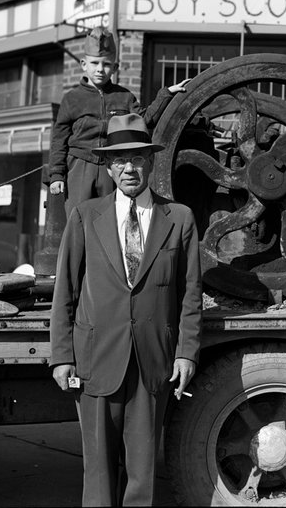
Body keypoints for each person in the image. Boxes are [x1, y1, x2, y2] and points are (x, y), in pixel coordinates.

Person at [50, 112, 202, 507]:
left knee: (143, 471)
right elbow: (65, 288)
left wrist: (187, 352)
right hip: (96, 358)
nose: (129, 167)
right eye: (120, 160)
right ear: (109, 167)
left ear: (151, 162)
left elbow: (190, 292)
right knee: (98, 470)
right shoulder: (85, 216)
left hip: (153, 359)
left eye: (137, 158)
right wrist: (61, 356)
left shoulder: (179, 218)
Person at [48, 25, 189, 217]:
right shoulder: (72, 99)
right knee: (77, 216)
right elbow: (59, 140)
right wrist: (56, 175)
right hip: (80, 165)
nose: (100, 69)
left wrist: (166, 95)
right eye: (95, 63)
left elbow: (145, 120)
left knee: (110, 217)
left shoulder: (124, 97)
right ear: (83, 64)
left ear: (114, 67)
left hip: (113, 165)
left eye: (106, 64)